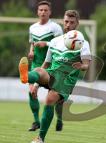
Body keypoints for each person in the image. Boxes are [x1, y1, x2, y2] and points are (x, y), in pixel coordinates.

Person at [19, 10, 91, 143]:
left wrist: (81, 66)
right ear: (63, 22)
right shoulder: (55, 41)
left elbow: (86, 65)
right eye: (66, 22)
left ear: (77, 24)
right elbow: (46, 64)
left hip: (66, 78)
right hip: (52, 72)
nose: (68, 25)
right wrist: (36, 85)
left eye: (72, 22)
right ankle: (26, 76)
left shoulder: (83, 43)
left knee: (49, 99)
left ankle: (40, 138)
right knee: (39, 69)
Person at [27, 1, 64, 131]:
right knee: (31, 92)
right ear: (37, 12)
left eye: (45, 10)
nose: (43, 12)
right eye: (41, 10)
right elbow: (32, 43)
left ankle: (59, 119)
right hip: (36, 63)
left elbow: (61, 45)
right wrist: (31, 51)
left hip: (51, 64)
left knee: (54, 96)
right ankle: (36, 121)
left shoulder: (55, 27)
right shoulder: (32, 28)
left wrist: (46, 43)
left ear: (50, 12)